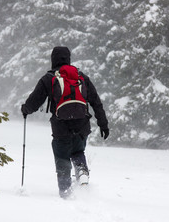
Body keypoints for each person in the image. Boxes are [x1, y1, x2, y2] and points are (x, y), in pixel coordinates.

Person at [21, 46, 109, 199]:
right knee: (77, 151)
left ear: (53, 59)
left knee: (62, 158)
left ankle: (66, 193)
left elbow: (34, 101)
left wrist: (25, 109)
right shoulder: (81, 77)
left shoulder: (48, 79)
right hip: (82, 126)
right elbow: (96, 102)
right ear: (69, 59)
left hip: (61, 127)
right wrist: (103, 123)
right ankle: (82, 171)